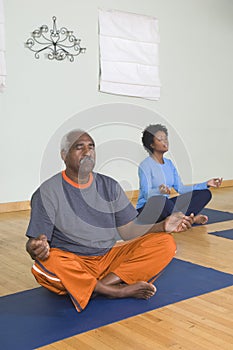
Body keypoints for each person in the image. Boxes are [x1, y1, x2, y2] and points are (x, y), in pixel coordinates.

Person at [26, 129, 194, 312]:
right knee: (45, 265)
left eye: (91, 147)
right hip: (74, 262)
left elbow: (128, 230)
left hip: (108, 258)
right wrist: (35, 248)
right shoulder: (47, 192)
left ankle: (96, 288)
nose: (87, 152)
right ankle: (116, 291)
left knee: (165, 243)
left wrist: (163, 225)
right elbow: (36, 244)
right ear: (64, 155)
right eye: (79, 147)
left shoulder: (110, 185)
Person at [136, 124, 223, 225]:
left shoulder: (169, 164)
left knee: (204, 193)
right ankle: (191, 219)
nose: (165, 141)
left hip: (166, 208)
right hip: (146, 210)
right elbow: (146, 195)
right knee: (162, 201)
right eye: (160, 139)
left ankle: (178, 219)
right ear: (152, 145)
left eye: (165, 138)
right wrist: (159, 190)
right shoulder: (145, 165)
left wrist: (206, 184)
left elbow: (181, 189)